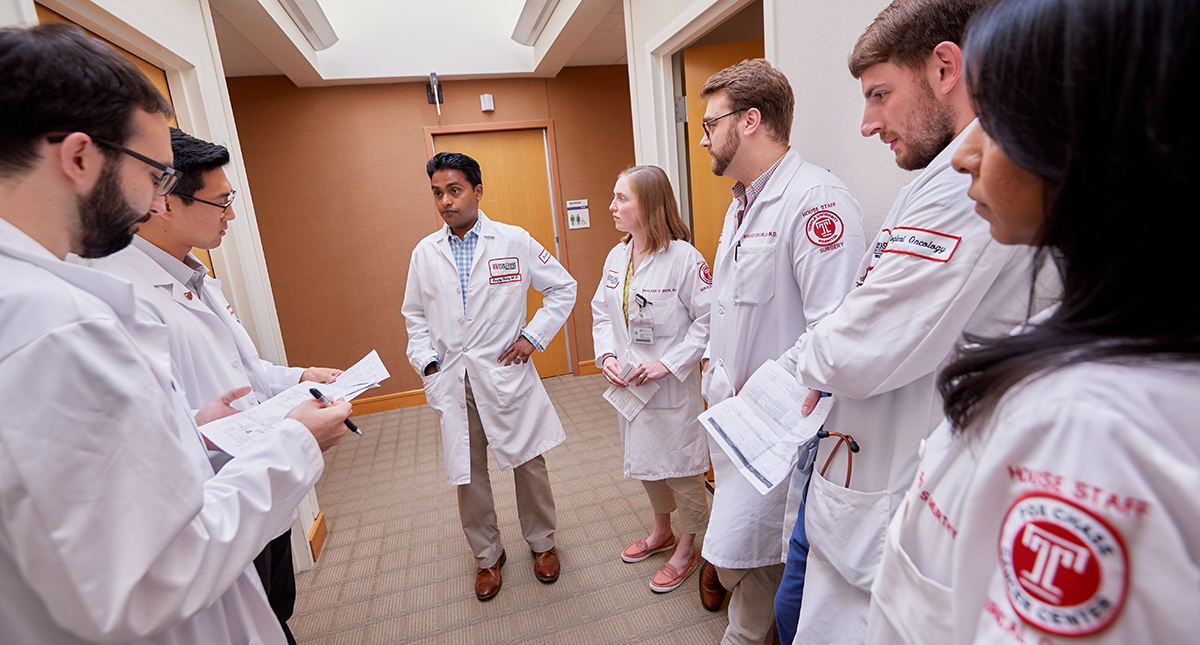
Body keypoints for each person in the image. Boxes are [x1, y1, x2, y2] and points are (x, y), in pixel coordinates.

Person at [0, 23, 351, 644]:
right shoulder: (53, 328)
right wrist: (294, 443)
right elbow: (154, 575)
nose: (155, 198)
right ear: (79, 157)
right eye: (157, 175)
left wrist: (190, 431)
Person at [867, 0, 1199, 642]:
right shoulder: (1090, 366)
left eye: (994, 119)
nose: (965, 155)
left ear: (1098, 137)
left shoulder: (1090, 431)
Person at [777, 1, 1051, 643]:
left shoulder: (970, 185)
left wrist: (805, 358)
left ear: (945, 67)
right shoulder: (935, 179)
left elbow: (859, 344)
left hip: (900, 483)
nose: (868, 123)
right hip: (868, 465)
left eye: (880, 95)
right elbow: (864, 311)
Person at [92, 127, 346, 644]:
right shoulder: (123, 300)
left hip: (257, 477)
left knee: (277, 607)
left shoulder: (196, 275)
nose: (230, 215)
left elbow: (244, 373)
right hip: (213, 501)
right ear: (164, 202)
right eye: (222, 202)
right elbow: (142, 436)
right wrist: (205, 431)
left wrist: (299, 377)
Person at [695, 58, 866, 644]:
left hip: (779, 432)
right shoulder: (742, 203)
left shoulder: (817, 201)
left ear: (750, 120)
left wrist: (761, 399)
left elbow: (834, 328)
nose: (703, 137)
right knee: (741, 561)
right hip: (736, 425)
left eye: (710, 123)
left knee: (762, 578)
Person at [402, 152, 577, 601]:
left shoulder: (514, 241)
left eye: (454, 190)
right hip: (454, 378)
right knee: (468, 472)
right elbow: (415, 317)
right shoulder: (425, 253)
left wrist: (533, 337)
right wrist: (428, 363)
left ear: (477, 192)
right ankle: (487, 556)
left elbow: (562, 287)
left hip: (505, 373)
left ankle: (543, 544)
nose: (445, 201)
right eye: (438, 193)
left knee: (528, 460)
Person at [591, 165, 713, 593]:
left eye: (622, 198)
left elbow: (708, 321)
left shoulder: (685, 259)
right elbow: (602, 313)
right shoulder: (616, 256)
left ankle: (688, 544)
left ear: (649, 204)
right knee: (647, 463)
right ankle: (661, 530)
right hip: (630, 385)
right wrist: (606, 354)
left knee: (681, 467)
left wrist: (669, 363)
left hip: (670, 388)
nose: (612, 206)